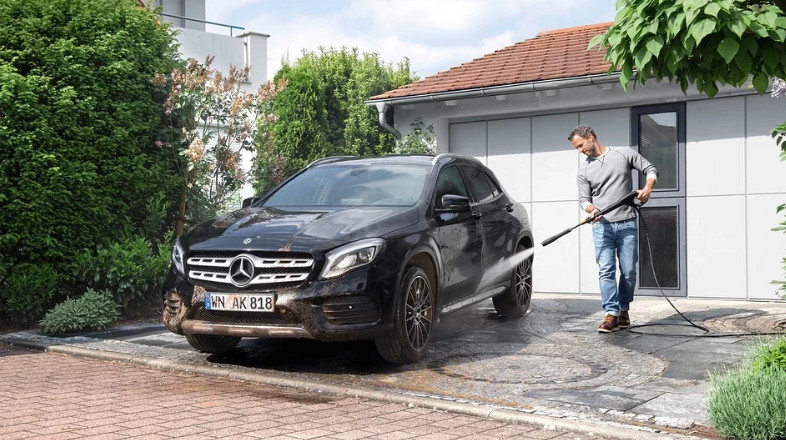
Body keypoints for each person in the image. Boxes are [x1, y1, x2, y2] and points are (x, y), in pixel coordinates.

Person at [568, 125, 658, 333]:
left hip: (627, 223)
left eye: (581, 145)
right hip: (602, 227)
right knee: (606, 270)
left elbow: (651, 169)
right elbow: (584, 200)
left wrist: (648, 188)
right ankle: (611, 313)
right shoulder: (584, 171)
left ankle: (623, 309)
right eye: (577, 148)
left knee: (629, 271)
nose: (580, 150)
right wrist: (592, 210)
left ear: (591, 137)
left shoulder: (623, 153)